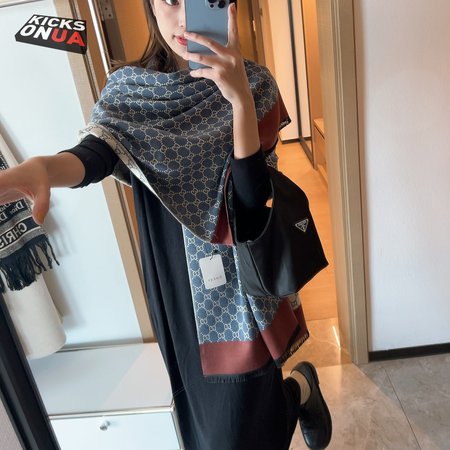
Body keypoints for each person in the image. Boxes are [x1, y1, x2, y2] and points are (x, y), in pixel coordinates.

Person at [0, 1, 332, 449]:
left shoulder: (256, 85)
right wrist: (45, 168)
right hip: (176, 280)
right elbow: (95, 155)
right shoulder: (128, 89)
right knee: (206, 422)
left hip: (241, 280)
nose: (184, 19)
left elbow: (253, 206)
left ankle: (298, 391)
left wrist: (239, 101)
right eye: (170, 0)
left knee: (239, 425)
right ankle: (301, 390)